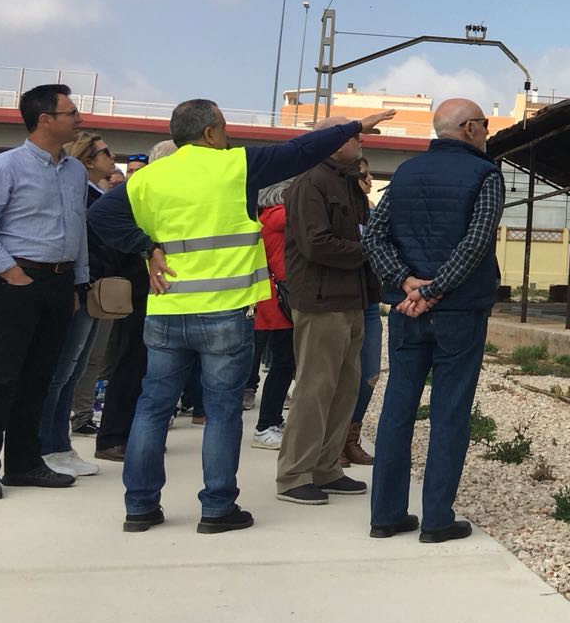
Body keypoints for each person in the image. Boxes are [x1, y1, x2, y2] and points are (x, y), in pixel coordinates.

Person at [89, 100, 394, 534]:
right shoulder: (236, 165)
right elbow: (300, 151)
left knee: (152, 409)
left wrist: (145, 247)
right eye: (225, 126)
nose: (229, 134)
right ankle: (216, 508)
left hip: (168, 309)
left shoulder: (152, 175)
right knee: (222, 411)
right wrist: (354, 126)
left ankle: (139, 507)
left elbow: (99, 215)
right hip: (224, 311)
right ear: (211, 133)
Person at [364, 98, 502, 542]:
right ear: (467, 128)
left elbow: (374, 236)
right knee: (449, 413)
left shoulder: (404, 174)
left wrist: (405, 282)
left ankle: (385, 515)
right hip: (458, 312)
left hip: (406, 313)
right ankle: (437, 519)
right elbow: (476, 242)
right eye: (483, 124)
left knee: (397, 411)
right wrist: (433, 290)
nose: (486, 131)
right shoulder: (486, 175)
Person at [0, 84, 89, 499]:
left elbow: (77, 231)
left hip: (60, 285)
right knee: (1, 379)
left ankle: (24, 464)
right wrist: (11, 273)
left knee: (40, 379)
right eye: (71, 112)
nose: (79, 119)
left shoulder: (75, 171)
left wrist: (78, 282)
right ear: (45, 120)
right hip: (17, 282)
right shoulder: (3, 167)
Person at [275, 119, 373, 505]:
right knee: (315, 388)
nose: (360, 141)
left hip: (352, 298)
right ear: (331, 143)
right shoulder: (310, 183)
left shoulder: (348, 183)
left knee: (345, 387)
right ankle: (294, 474)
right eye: (353, 136)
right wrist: (368, 252)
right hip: (321, 300)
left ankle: (326, 466)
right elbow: (316, 244)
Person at [37, 131, 119, 478]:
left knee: (75, 370)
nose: (111, 157)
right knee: (61, 371)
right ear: (88, 160)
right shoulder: (83, 196)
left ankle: (61, 443)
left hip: (93, 286)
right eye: (105, 152)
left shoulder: (96, 194)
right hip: (80, 288)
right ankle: (47, 445)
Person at [94, 140, 173, 463]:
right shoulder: (142, 188)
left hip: (158, 288)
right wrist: (145, 247)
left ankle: (134, 434)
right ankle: (113, 437)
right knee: (132, 362)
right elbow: (102, 218)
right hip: (139, 286)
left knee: (149, 368)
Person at [247, 185, 294, 451]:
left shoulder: (268, 216)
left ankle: (272, 419)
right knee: (283, 363)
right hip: (278, 302)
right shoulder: (280, 216)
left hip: (272, 299)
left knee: (282, 362)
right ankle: (265, 426)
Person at [343, 156, 378, 468]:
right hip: (339, 302)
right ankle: (332, 443)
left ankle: (351, 439)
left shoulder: (375, 213)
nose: (370, 183)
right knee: (336, 378)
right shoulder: (336, 211)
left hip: (369, 302)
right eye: (365, 177)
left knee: (368, 375)